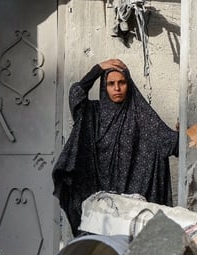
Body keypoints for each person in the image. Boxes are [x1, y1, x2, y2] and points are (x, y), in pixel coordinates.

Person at [52, 59, 179, 235]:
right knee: (98, 248)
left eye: (122, 83)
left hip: (131, 208)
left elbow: (170, 144)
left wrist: (181, 132)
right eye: (111, 84)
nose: (117, 88)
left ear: (129, 84)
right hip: (97, 202)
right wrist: (98, 69)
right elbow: (76, 94)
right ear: (104, 86)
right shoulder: (93, 114)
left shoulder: (141, 116)